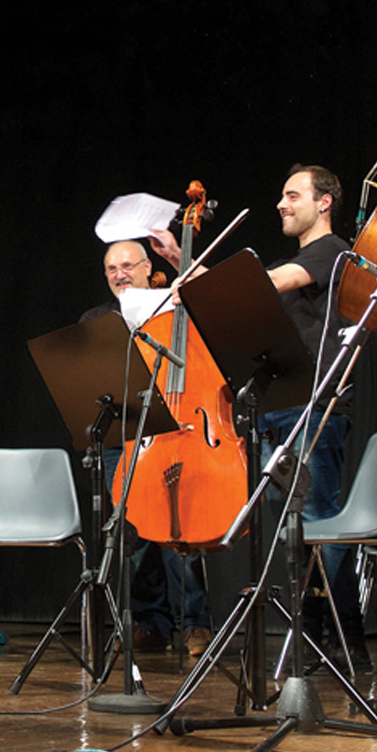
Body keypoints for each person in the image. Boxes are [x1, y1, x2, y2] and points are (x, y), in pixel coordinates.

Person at [81, 235, 216, 658]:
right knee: (133, 533)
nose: (120, 274)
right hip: (121, 437)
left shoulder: (172, 306)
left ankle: (194, 622)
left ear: (147, 268)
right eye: (112, 269)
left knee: (179, 530)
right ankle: (149, 623)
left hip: (174, 432)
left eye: (128, 266)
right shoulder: (97, 319)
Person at [263, 164, 370, 673]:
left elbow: (271, 283)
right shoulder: (296, 260)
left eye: (292, 195)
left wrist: (214, 285)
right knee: (293, 534)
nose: (281, 204)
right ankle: (309, 639)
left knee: (321, 524)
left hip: (316, 407)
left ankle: (349, 644)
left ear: (324, 202)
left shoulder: (333, 251)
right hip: (280, 407)